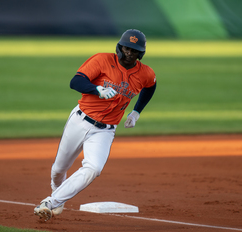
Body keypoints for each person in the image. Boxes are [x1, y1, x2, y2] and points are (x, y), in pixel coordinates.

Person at [34, 29, 157, 221]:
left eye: (134, 50)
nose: (129, 53)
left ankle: (51, 202)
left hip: (105, 131)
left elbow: (151, 87)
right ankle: (57, 192)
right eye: (126, 48)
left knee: (94, 168)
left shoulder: (145, 73)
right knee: (59, 169)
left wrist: (136, 111)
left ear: (140, 53)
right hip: (80, 121)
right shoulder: (102, 60)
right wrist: (96, 89)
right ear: (120, 47)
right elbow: (75, 81)